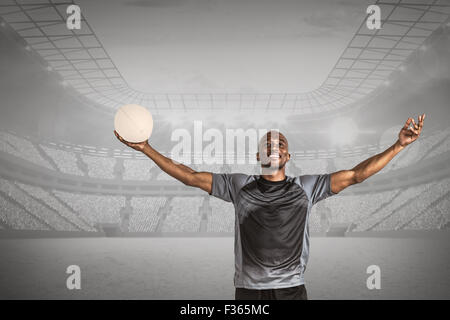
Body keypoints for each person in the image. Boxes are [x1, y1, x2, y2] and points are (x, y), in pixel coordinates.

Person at [114, 114, 425, 300]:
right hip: (248, 290)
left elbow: (357, 174)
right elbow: (190, 176)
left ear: (287, 157)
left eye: (280, 145)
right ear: (258, 155)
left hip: (292, 289)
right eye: (267, 144)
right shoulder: (238, 185)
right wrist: (145, 148)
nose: (273, 147)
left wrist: (398, 145)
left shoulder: (307, 187)